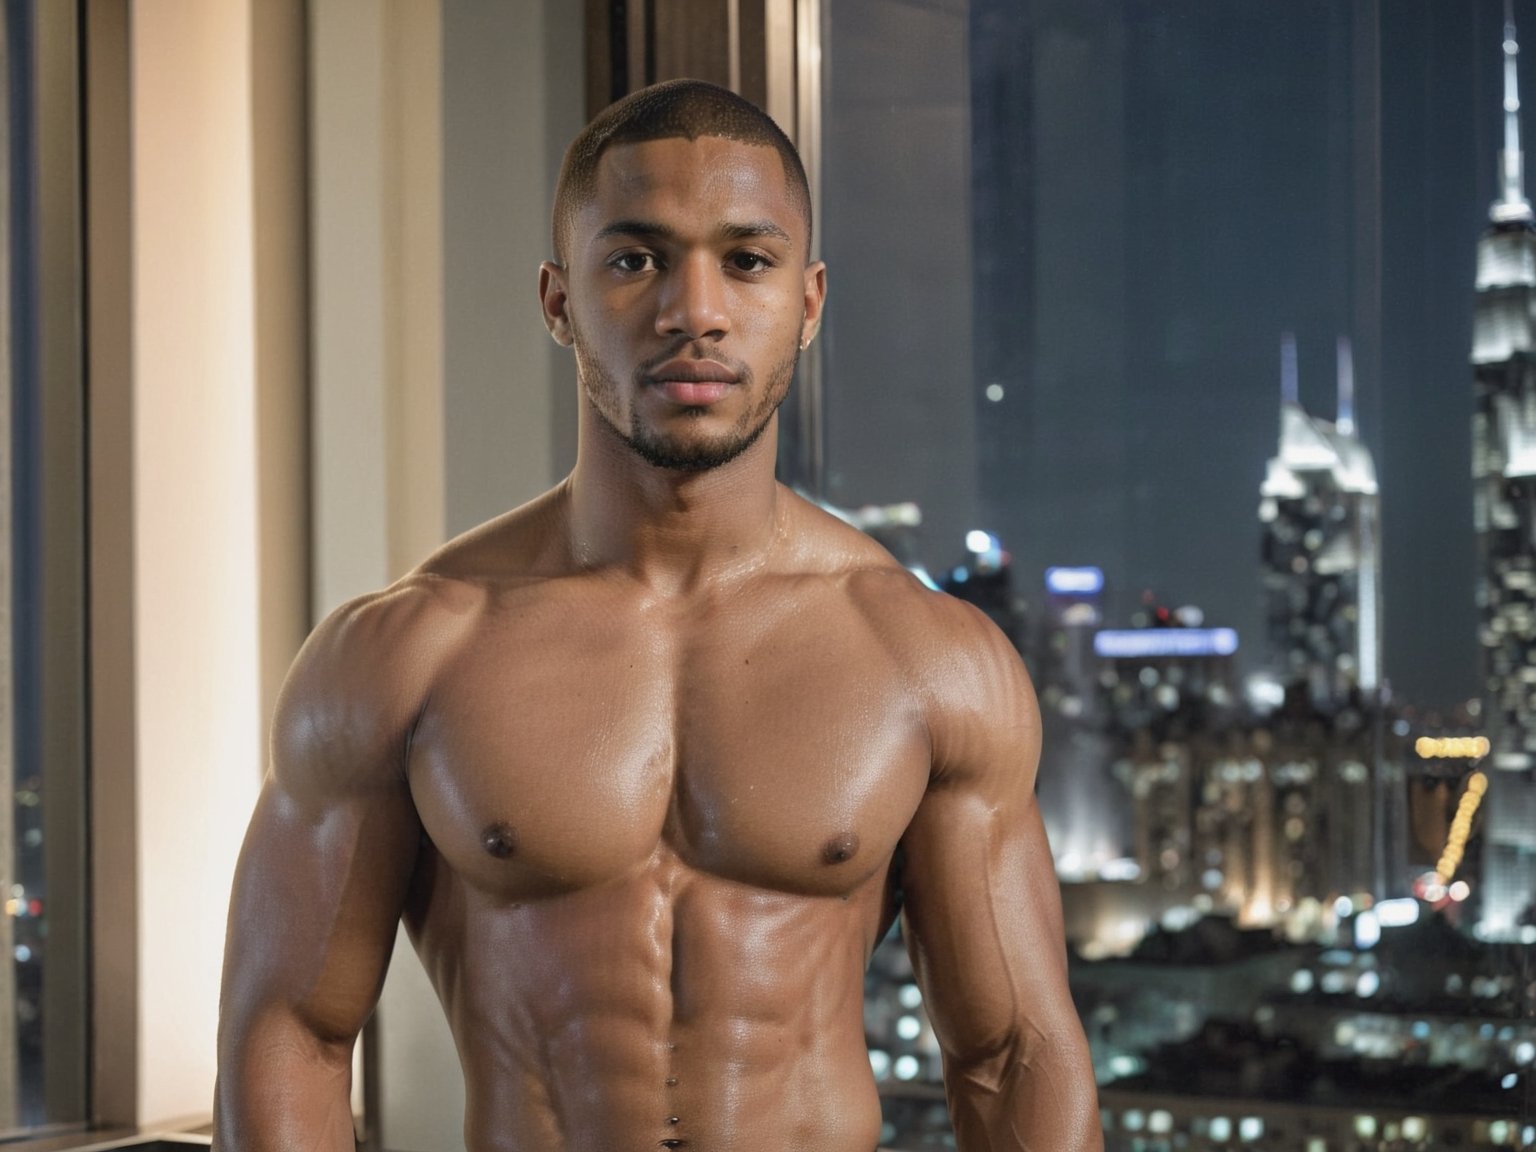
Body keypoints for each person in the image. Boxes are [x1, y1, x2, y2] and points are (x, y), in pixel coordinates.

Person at [214, 79, 1102, 1152]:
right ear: (557, 301)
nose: (695, 310)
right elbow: (291, 1039)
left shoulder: (928, 660)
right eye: (635, 260)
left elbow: (1013, 1059)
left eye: (747, 260)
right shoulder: (408, 654)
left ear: (808, 303)